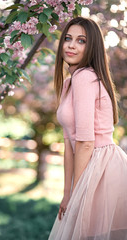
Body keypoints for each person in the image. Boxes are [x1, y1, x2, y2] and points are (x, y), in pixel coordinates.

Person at [48, 16, 127, 240]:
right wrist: (67, 193)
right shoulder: (69, 83)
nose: (71, 45)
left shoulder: (85, 77)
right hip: (91, 165)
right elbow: (69, 143)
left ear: (91, 46)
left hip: (102, 168)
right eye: (68, 38)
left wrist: (79, 193)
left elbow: (85, 142)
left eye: (81, 40)